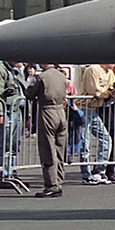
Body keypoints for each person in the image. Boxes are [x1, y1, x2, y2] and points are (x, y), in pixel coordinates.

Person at [26, 63, 69, 197]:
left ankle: (51, 184)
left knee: (47, 148)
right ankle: (59, 180)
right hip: (60, 111)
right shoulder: (61, 76)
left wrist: (27, 86)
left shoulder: (41, 77)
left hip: (47, 111)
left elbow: (30, 94)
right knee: (60, 149)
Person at [0, 60, 27, 184]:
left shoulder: (16, 71)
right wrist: (0, 114)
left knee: (14, 145)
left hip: (16, 111)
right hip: (7, 112)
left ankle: (12, 172)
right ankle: (3, 174)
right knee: (4, 144)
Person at [75, 64, 115, 184]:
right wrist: (109, 93)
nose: (114, 65)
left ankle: (99, 171)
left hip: (93, 109)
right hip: (82, 107)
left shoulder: (110, 73)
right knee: (85, 142)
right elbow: (94, 91)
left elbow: (113, 88)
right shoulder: (93, 69)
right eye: (112, 62)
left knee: (106, 138)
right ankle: (86, 174)